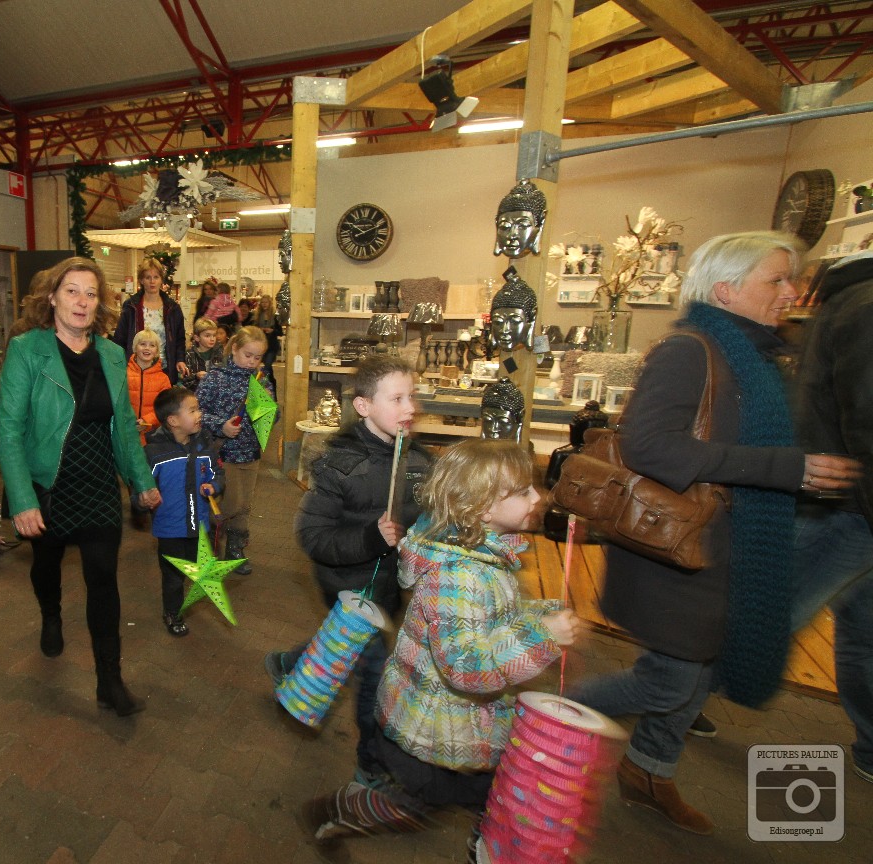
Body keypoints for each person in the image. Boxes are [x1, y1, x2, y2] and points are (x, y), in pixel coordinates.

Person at [566, 231, 857, 834]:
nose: (792, 292)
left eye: (792, 279)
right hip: (682, 550)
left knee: (699, 670)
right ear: (726, 289)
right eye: (776, 280)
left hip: (730, 548)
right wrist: (786, 469)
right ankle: (540, 716)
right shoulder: (689, 351)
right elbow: (651, 447)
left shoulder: (756, 355)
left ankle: (648, 771)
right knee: (670, 681)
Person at [302, 439, 581, 852]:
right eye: (523, 491)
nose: (538, 497)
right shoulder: (460, 575)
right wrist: (540, 637)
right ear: (482, 508)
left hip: (463, 724)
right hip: (436, 731)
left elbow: (489, 619)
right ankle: (346, 810)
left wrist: (537, 617)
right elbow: (466, 667)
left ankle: (483, 841)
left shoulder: (484, 559)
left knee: (483, 792)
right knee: (418, 800)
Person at [0, 256, 161, 717]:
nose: (82, 301)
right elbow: (8, 428)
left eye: (91, 293)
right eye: (72, 291)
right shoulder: (27, 349)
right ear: (52, 297)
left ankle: (110, 681)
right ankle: (50, 614)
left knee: (104, 581)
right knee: (45, 566)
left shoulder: (111, 354)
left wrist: (142, 481)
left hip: (98, 484)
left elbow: (124, 426)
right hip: (49, 484)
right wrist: (22, 500)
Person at [264, 355, 432, 770]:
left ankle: (291, 661)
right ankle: (370, 766)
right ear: (363, 406)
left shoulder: (419, 462)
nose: (410, 408)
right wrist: (370, 538)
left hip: (389, 585)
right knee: (373, 671)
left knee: (345, 643)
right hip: (346, 582)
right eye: (397, 399)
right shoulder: (340, 464)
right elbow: (312, 536)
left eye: (411, 397)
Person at [790, 251, 873, 783]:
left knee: (862, 630)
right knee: (774, 619)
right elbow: (866, 418)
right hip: (846, 502)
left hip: (846, 500)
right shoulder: (866, 306)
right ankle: (667, 706)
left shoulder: (848, 300)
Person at [145, 387, 225, 637]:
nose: (200, 414)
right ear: (173, 420)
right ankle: (172, 613)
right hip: (170, 529)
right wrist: (143, 499)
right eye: (192, 410)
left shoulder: (204, 445)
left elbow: (217, 474)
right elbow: (141, 487)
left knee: (198, 567)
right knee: (173, 577)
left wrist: (214, 486)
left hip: (200, 525)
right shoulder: (154, 453)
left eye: (198, 408)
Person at [196, 326, 273, 574]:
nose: (252, 361)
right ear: (235, 349)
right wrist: (222, 425)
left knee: (244, 506)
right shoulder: (215, 378)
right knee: (229, 504)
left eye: (257, 357)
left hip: (251, 452)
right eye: (247, 355)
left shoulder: (261, 379)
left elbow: (270, 417)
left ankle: (235, 549)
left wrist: (267, 407)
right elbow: (196, 414)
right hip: (222, 453)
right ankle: (206, 541)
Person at [112, 257, 187, 384]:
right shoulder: (130, 306)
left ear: (161, 279)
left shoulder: (173, 308)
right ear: (142, 280)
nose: (152, 281)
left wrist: (180, 359)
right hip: (137, 369)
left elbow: (180, 339)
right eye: (148, 277)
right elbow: (120, 339)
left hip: (165, 368)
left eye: (156, 277)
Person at [125, 329, 172, 447]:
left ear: (157, 351)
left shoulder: (163, 379)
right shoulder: (123, 374)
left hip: (153, 436)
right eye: (143, 344)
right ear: (135, 348)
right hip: (126, 433)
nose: (147, 348)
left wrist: (147, 421)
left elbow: (166, 407)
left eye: (152, 345)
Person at [183, 317, 225, 393]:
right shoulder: (189, 354)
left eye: (214, 335)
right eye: (207, 336)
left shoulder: (220, 351)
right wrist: (196, 376)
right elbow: (185, 381)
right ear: (197, 338)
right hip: (196, 393)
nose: (212, 339)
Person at [253, 294, 283, 382]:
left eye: (266, 302)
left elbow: (280, 332)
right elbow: (253, 329)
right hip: (261, 345)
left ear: (270, 303)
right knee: (268, 368)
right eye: (262, 302)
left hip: (271, 346)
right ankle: (272, 383)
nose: (264, 304)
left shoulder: (275, 316)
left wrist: (272, 331)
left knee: (267, 366)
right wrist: (259, 329)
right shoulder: (257, 316)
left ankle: (260, 382)